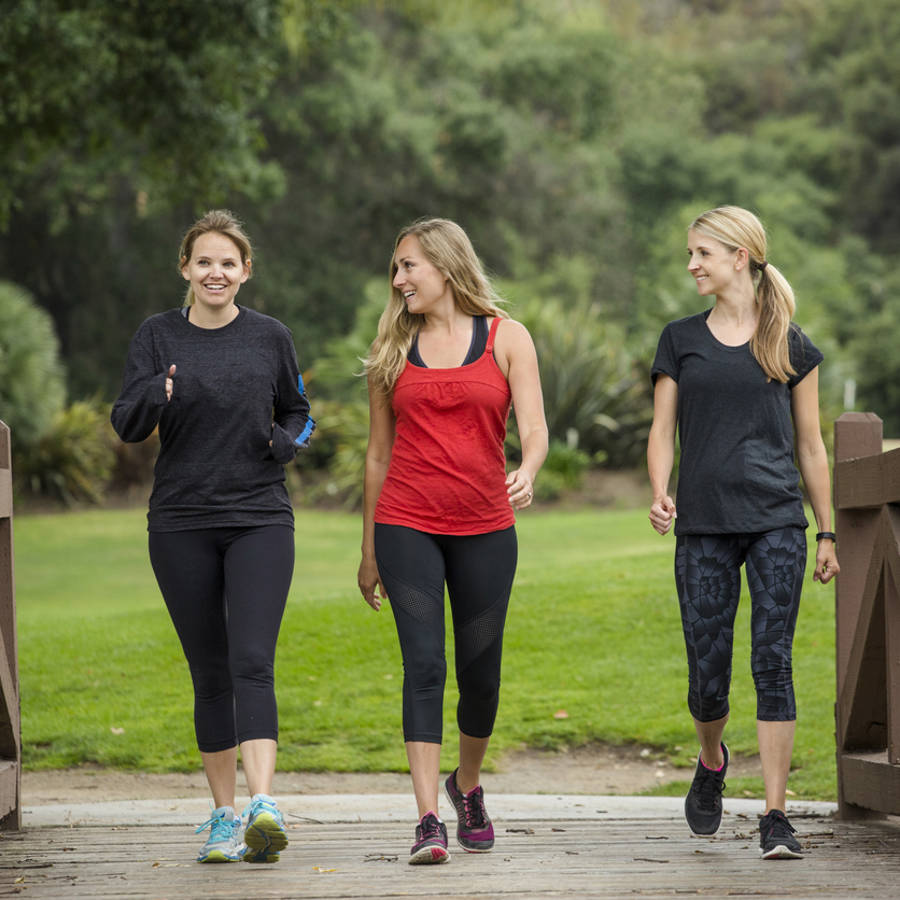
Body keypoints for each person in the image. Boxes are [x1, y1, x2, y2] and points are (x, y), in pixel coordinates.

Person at [111, 209, 315, 864]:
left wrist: (285, 443)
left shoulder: (270, 337)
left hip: (259, 517)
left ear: (245, 270)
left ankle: (263, 805)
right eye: (204, 261)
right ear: (186, 269)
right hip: (180, 523)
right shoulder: (156, 335)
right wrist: (157, 393)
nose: (216, 272)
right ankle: (224, 818)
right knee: (211, 671)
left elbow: (299, 411)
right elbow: (125, 421)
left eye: (228, 262)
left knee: (253, 659)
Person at [647, 205, 839, 860]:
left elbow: (811, 447)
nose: (692, 264)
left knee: (772, 660)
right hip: (702, 525)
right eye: (691, 253)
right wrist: (659, 492)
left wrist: (828, 532)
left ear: (740, 256)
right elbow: (661, 431)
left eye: (702, 252)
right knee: (708, 675)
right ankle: (713, 758)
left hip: (777, 523)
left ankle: (775, 815)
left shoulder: (791, 343)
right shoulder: (680, 339)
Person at [357, 218, 548, 865]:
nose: (399, 279)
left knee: (480, 675)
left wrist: (528, 468)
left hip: (487, 527)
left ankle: (466, 787)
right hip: (407, 521)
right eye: (396, 268)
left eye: (408, 266)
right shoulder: (391, 343)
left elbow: (536, 427)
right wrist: (367, 551)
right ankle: (428, 820)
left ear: (445, 266)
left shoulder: (506, 337)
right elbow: (377, 455)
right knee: (425, 666)